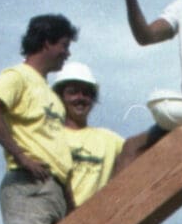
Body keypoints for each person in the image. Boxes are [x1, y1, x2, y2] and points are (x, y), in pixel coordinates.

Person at [0, 13, 78, 224]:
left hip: (56, 191)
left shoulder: (52, 95)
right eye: (64, 45)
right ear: (47, 43)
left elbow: (56, 149)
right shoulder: (18, 76)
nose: (67, 53)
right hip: (30, 184)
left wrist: (69, 200)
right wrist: (21, 156)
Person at [53, 60, 138, 206]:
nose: (80, 98)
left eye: (86, 93)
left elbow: (138, 150)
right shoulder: (49, 136)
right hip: (56, 221)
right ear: (60, 96)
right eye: (73, 92)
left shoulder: (109, 140)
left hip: (92, 223)